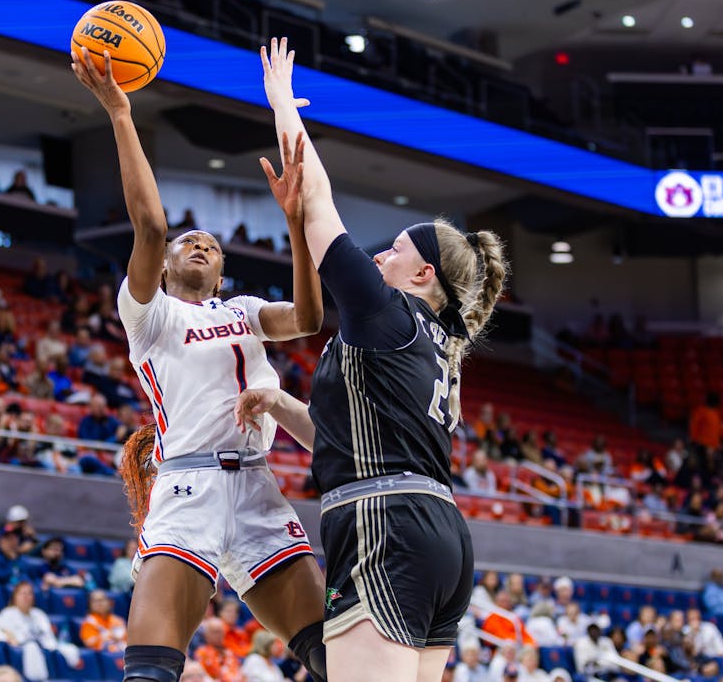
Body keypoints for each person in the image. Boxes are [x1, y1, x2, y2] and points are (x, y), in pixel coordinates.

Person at [233, 38, 507, 682]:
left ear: (423, 275)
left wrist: (281, 106)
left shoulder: (387, 312)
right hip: (437, 531)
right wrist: (278, 402)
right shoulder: (439, 343)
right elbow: (351, 439)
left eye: (394, 250)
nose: (379, 256)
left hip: (386, 528)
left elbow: (318, 199)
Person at [73, 43, 328, 682]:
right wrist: (121, 114)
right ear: (162, 265)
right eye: (189, 242)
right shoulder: (151, 316)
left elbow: (306, 319)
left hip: (259, 487)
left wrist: (295, 224)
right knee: (152, 669)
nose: (200, 245)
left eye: (211, 245)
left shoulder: (243, 310)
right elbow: (152, 225)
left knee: (335, 657)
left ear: (221, 269)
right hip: (188, 485)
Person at [0, 581, 80, 681]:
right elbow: (5, 634)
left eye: (29, 593)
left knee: (70, 649)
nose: (26, 596)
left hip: (43, 647)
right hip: (23, 649)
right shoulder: (8, 613)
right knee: (32, 647)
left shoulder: (39, 614)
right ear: (15, 596)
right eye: (23, 593)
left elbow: (49, 638)